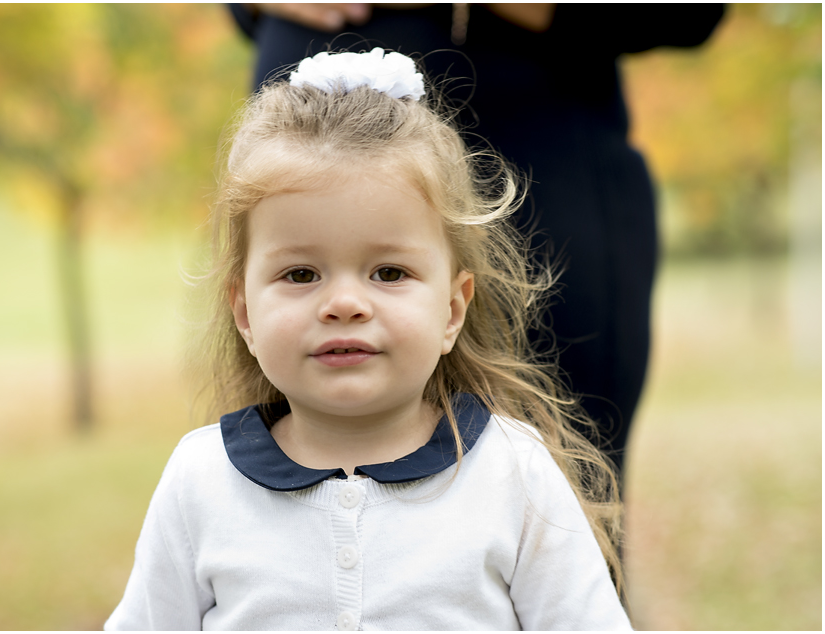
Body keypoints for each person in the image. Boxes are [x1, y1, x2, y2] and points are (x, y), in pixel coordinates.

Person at [106, 49, 630, 631]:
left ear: (452, 309)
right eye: (301, 275)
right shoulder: (202, 481)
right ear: (245, 313)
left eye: (389, 273)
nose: (345, 304)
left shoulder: (512, 474)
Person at [228, 3, 726, 475]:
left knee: (562, 489)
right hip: (299, 161)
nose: (345, 304)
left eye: (388, 273)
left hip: (543, 162)